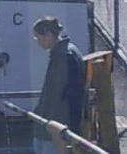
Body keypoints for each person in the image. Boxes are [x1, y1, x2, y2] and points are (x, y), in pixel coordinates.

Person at [32, 16, 86, 154]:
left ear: (48, 35)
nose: (37, 42)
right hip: (59, 123)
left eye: (38, 37)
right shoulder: (66, 52)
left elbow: (56, 95)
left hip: (57, 126)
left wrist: (46, 123)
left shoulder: (63, 56)